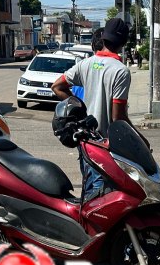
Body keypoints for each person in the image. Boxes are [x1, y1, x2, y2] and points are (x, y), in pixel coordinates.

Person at [51, 17, 135, 201]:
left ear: (103, 38)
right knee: (100, 200)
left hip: (85, 142)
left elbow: (57, 87)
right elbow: (118, 118)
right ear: (123, 43)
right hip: (106, 147)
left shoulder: (86, 64)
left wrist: (80, 109)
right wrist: (139, 139)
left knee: (89, 192)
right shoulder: (121, 71)